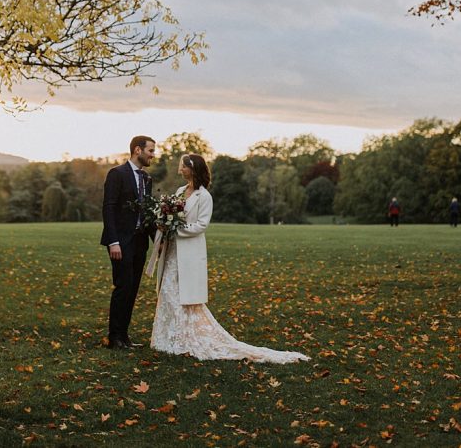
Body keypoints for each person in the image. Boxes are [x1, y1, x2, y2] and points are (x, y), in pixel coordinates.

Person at [150, 153, 309, 364]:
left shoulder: (204, 196)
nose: (180, 171)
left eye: (183, 167)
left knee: (184, 295)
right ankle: (167, 337)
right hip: (173, 251)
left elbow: (201, 225)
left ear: (193, 169)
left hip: (189, 250)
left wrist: (175, 228)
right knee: (169, 290)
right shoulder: (180, 191)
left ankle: (186, 337)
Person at [100, 135, 156, 350]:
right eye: (150, 150)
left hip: (140, 242)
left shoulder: (147, 178)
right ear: (137, 150)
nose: (153, 155)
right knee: (122, 287)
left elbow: (147, 213)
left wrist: (158, 240)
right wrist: (113, 241)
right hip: (120, 242)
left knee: (132, 289)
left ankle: (124, 336)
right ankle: (114, 338)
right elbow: (109, 208)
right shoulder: (117, 174)